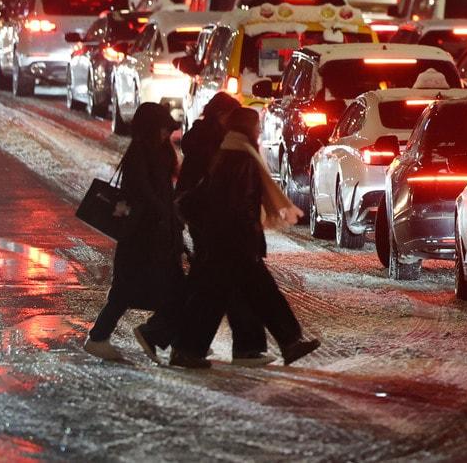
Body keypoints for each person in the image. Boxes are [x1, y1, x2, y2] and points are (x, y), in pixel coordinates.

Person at [171, 109, 320, 369]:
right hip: (234, 244)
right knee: (242, 296)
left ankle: (287, 342)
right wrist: (247, 239)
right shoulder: (242, 158)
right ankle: (187, 349)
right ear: (247, 128)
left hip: (225, 242)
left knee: (231, 297)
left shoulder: (228, 152)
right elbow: (238, 205)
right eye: (256, 127)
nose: (259, 132)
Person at [83, 102, 185, 363]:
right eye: (162, 129)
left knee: (167, 290)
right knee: (128, 291)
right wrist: (164, 213)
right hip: (143, 237)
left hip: (156, 235)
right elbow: (143, 192)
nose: (166, 135)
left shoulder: (157, 151)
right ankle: (101, 337)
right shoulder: (141, 151)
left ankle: (171, 340)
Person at [176, 92, 272, 366]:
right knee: (216, 287)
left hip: (213, 221)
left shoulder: (208, 138)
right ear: (222, 116)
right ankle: (178, 341)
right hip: (214, 223)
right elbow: (220, 189)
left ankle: (187, 344)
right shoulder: (216, 143)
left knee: (216, 286)